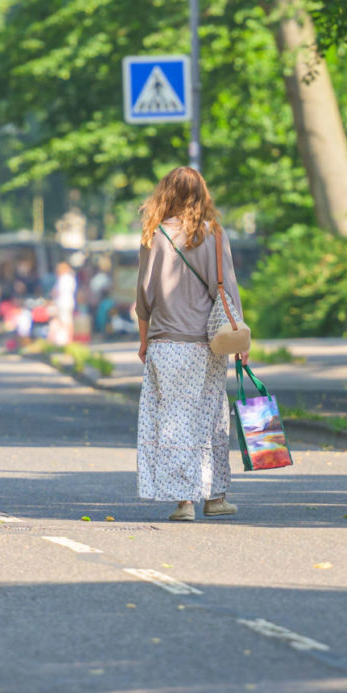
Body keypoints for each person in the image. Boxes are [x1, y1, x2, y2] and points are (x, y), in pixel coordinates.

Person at [134, 166, 243, 522]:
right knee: (212, 418)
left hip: (166, 343)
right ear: (202, 194)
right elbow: (225, 290)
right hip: (208, 345)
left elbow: (144, 297)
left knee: (174, 420)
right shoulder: (214, 235)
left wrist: (143, 340)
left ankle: (184, 502)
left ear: (165, 194)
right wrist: (239, 336)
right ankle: (214, 497)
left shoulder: (155, 235)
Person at [52, 261, 78, 345]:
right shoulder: (71, 278)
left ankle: (68, 340)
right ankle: (68, 339)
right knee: (67, 321)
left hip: (63, 303)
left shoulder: (63, 278)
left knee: (65, 321)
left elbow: (57, 291)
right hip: (69, 302)